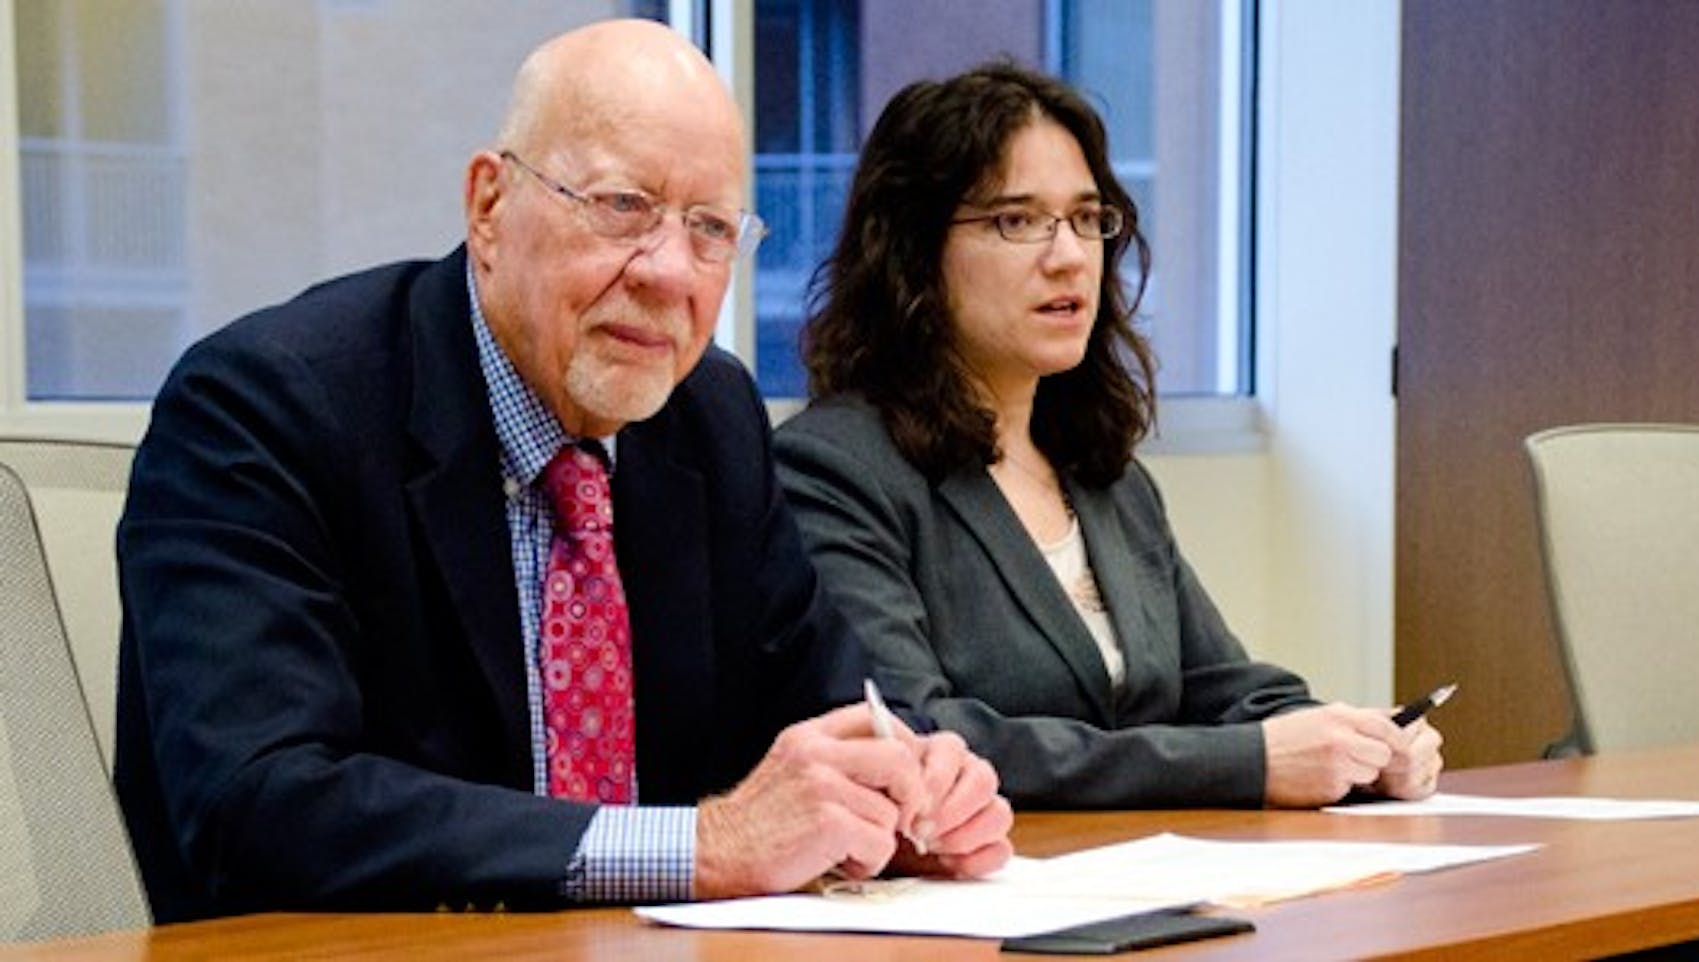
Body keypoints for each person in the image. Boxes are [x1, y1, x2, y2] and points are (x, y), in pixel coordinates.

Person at [114, 20, 1010, 924]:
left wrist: (910, 782)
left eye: (709, 229)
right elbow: (258, 801)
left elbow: (824, 699)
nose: (669, 272)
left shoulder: (709, 417)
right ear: (489, 207)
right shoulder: (270, 405)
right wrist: (703, 847)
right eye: (623, 206)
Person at [773, 62, 1445, 809]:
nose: (1069, 256)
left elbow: (1222, 689)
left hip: (1145, 864)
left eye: (1087, 218)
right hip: (983, 874)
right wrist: (1246, 764)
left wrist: (1355, 741)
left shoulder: (1102, 473)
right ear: (912, 251)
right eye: (1016, 221)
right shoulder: (835, 468)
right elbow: (913, 735)